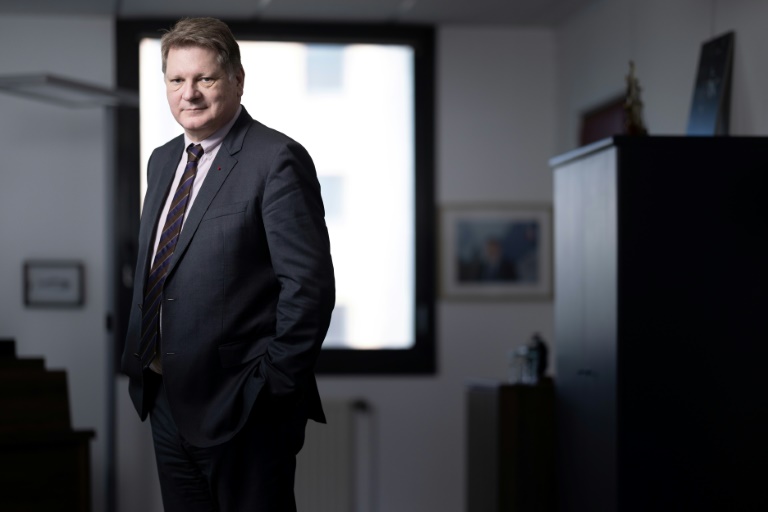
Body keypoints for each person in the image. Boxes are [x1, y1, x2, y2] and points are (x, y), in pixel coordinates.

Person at [120, 17, 335, 512]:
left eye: (205, 78)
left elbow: (309, 288)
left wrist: (270, 389)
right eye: (177, 79)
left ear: (237, 80)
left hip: (244, 405)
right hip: (166, 397)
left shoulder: (276, 159)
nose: (189, 93)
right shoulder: (162, 161)